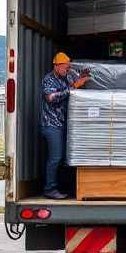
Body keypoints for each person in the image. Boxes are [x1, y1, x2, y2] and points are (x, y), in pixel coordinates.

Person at [41, 52, 89, 199]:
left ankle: (63, 187)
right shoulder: (48, 80)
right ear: (56, 66)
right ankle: (49, 189)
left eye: (68, 68)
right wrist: (74, 87)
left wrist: (79, 80)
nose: (66, 71)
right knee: (55, 157)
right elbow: (51, 98)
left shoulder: (66, 77)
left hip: (64, 124)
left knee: (64, 158)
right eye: (64, 68)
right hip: (51, 124)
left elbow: (71, 89)